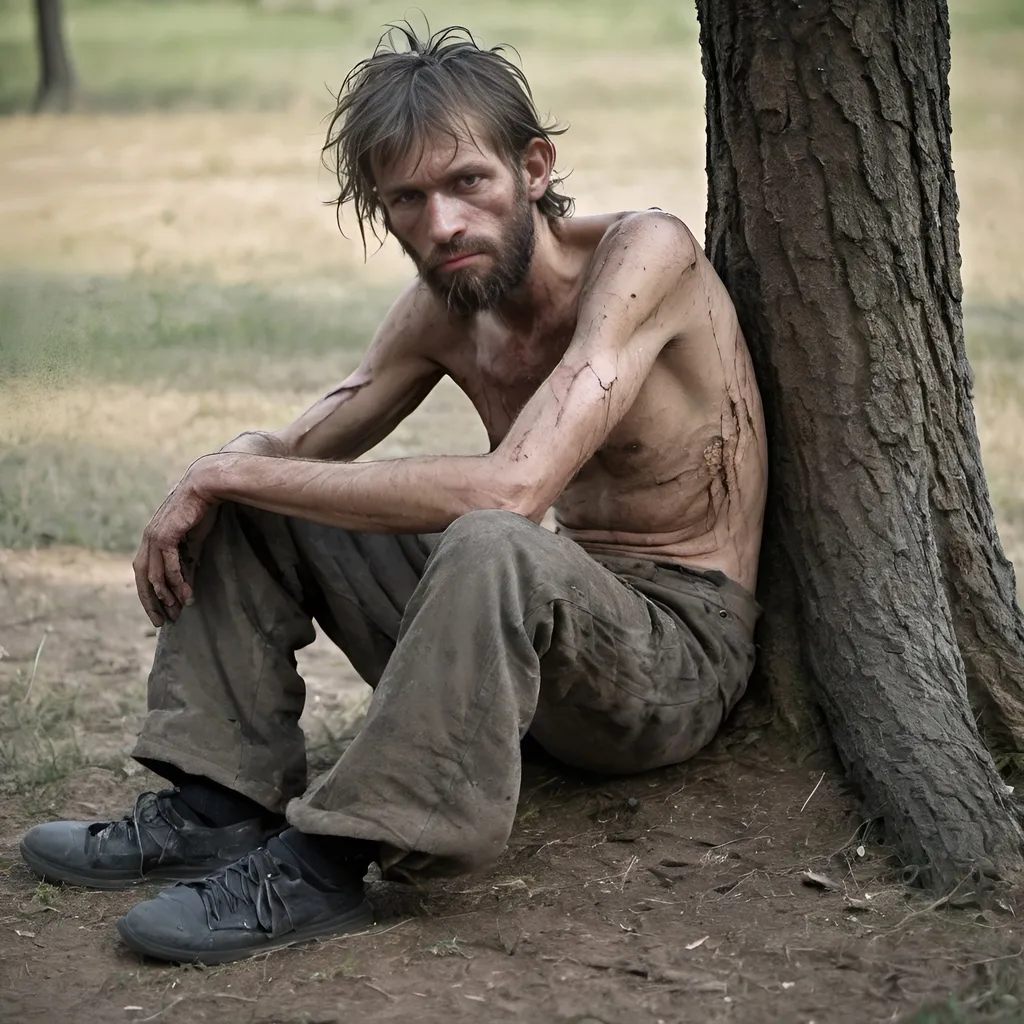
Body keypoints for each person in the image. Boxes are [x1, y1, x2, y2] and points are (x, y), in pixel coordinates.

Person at [19, 24, 767, 965]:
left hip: (676, 656)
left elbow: (517, 485)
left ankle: (329, 861)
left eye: (468, 183)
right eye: (407, 199)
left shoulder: (643, 256)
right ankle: (215, 804)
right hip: (544, 641)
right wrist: (215, 474)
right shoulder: (443, 311)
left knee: (489, 533)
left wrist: (232, 467)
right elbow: (287, 448)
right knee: (260, 495)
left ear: (533, 168)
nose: (442, 224)